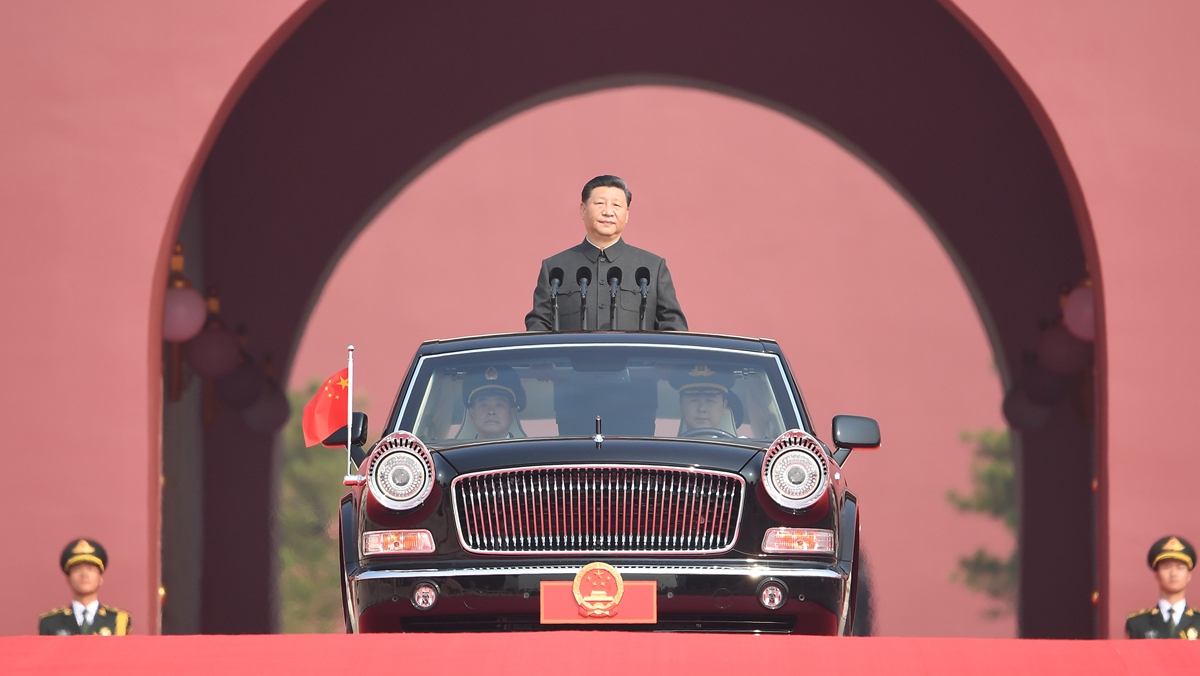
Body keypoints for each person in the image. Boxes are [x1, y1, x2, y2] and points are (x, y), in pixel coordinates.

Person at [525, 175, 687, 332]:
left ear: (627, 214)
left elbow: (673, 326)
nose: (608, 212)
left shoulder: (652, 267)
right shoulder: (555, 268)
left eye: (616, 205)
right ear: (583, 210)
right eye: (600, 203)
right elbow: (539, 325)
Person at [39, 539, 131, 636]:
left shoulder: (118, 620)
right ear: (68, 579)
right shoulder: (50, 622)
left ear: (101, 578)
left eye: (91, 569)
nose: (84, 574)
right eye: (77, 569)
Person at [1126, 535, 1199, 639]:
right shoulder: (1137, 623)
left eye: (1180, 567)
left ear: (1189, 575)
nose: (1173, 574)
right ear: (1156, 574)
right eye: (1166, 567)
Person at [669, 364, 741, 437]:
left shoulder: (743, 447)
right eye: (694, 400)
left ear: (724, 406)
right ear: (681, 405)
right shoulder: (665, 448)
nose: (702, 409)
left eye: (710, 400)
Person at [461, 365, 526, 440]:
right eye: (484, 405)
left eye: (499, 405)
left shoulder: (530, 452)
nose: (491, 411)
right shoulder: (453, 451)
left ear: (511, 413)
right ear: (472, 414)